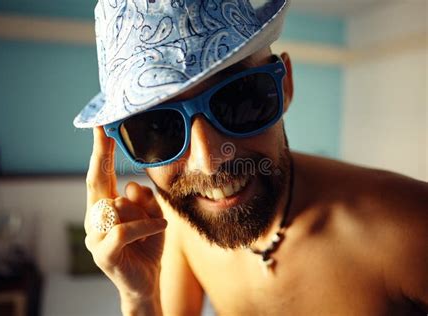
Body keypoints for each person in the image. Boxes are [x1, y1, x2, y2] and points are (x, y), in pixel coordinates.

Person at [73, 1, 428, 315]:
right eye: (157, 128)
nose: (209, 162)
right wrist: (139, 298)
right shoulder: (178, 225)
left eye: (239, 99)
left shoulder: (411, 230)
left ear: (284, 85)